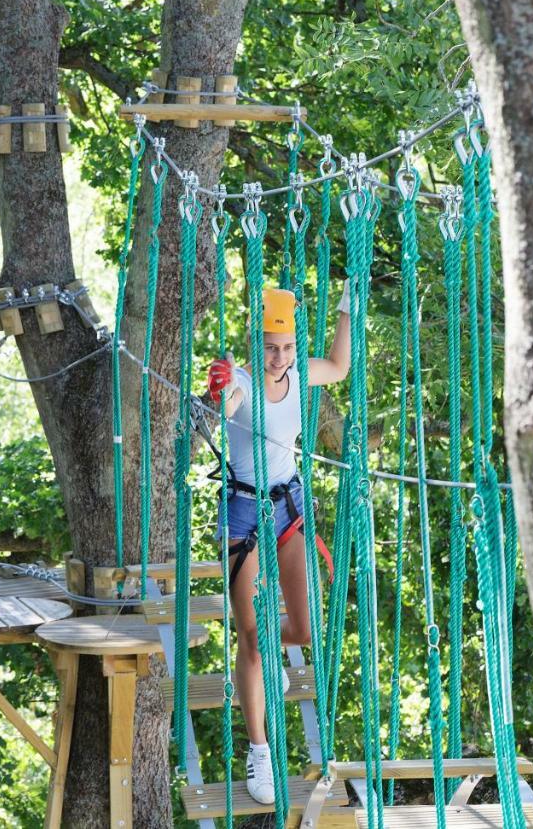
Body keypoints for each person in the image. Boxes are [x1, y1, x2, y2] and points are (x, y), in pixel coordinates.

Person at [204, 286, 350, 804]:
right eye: (271, 347)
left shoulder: (297, 374)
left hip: (288, 508)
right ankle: (260, 749)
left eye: (286, 347)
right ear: (254, 345)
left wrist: (346, 308)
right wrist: (215, 392)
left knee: (303, 630)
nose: (280, 357)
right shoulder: (242, 381)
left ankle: (264, 662)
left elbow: (338, 365)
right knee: (250, 636)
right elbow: (219, 410)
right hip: (244, 513)